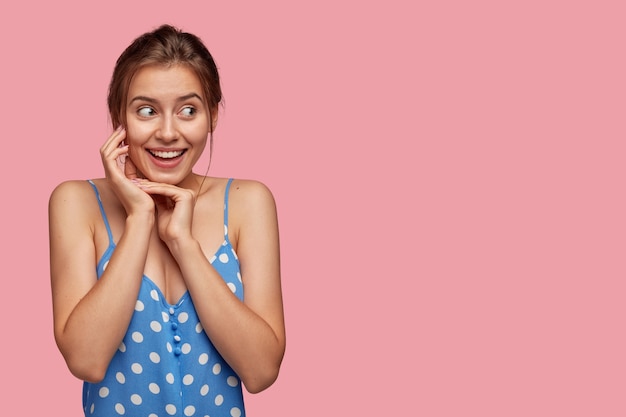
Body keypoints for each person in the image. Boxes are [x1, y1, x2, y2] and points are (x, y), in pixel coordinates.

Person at [49, 24, 285, 417]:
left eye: (188, 110)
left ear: (212, 116)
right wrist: (140, 217)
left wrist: (183, 244)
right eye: (146, 111)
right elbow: (87, 359)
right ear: (117, 118)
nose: (168, 132)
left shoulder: (248, 203)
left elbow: (261, 372)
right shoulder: (76, 202)